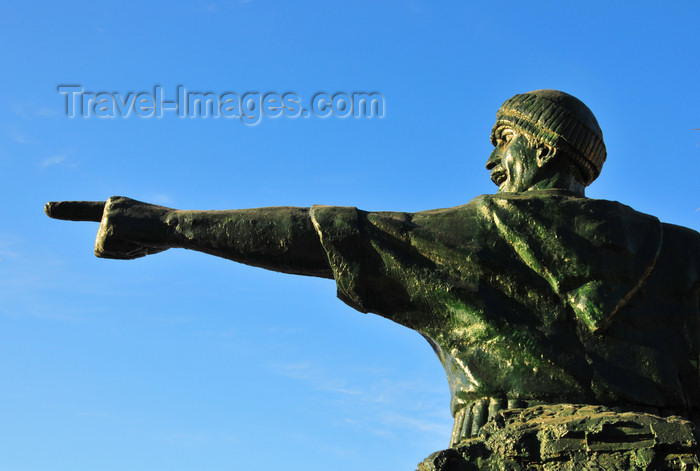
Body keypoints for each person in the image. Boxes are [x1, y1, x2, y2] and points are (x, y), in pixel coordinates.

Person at [46, 90, 700, 449]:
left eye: (503, 140)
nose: (491, 162)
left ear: (546, 148)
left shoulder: (477, 234)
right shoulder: (683, 252)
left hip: (505, 452)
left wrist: (166, 222)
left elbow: (315, 234)